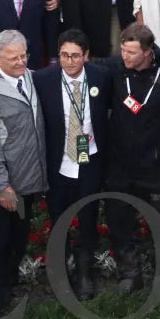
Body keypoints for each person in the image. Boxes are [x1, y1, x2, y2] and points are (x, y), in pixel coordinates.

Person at [0, 30, 48, 317]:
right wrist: (2, 186)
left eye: (24, 55)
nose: (20, 61)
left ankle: (9, 286)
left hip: (29, 180)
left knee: (18, 239)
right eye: (13, 57)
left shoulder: (33, 78)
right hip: (2, 186)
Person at [33, 28, 112, 301]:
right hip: (59, 162)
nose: (69, 61)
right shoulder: (44, 79)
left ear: (86, 56)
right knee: (59, 220)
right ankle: (60, 274)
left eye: (75, 56)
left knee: (88, 218)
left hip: (89, 159)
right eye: (64, 55)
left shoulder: (102, 77)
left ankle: (85, 273)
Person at [100, 23, 160, 293]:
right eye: (123, 50)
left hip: (153, 163)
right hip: (119, 162)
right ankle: (130, 273)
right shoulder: (113, 70)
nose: (125, 57)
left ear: (147, 52)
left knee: (158, 220)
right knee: (120, 219)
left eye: (131, 52)